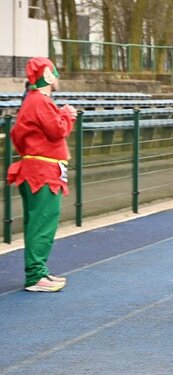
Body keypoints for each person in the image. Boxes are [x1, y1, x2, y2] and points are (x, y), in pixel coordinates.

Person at [7, 57, 76, 292]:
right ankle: (35, 275)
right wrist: (67, 115)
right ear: (47, 75)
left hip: (39, 170)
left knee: (39, 222)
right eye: (54, 73)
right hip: (42, 172)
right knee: (42, 224)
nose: (57, 77)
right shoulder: (39, 101)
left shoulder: (34, 100)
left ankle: (38, 271)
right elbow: (56, 131)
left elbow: (18, 135)